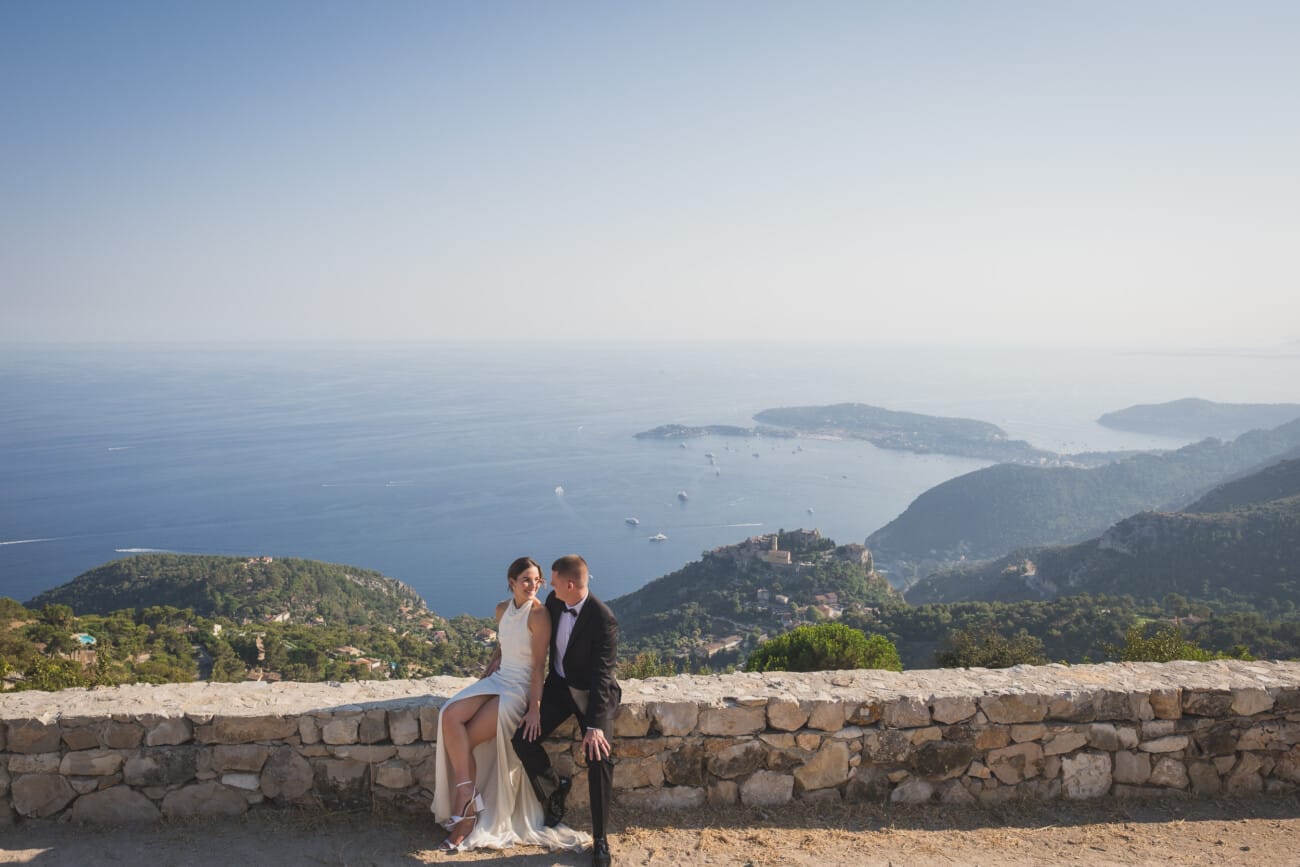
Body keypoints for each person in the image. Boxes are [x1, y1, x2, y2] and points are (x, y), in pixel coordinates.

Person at [431, 557, 590, 853]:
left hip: (518, 689)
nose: (533, 586)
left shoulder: (539, 615)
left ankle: (466, 814)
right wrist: (494, 660)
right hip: (500, 678)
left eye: (537, 580)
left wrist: (534, 709)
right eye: (526, 580)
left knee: (469, 737)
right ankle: (468, 796)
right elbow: (505, 641)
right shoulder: (501, 609)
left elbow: (537, 667)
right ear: (512, 582)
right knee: (449, 715)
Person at [512, 555, 621, 867]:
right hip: (560, 688)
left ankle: (600, 839)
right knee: (522, 738)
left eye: (555, 581)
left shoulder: (604, 619)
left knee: (599, 755)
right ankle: (554, 788)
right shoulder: (555, 601)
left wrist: (596, 725)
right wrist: (534, 705)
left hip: (592, 695)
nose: (549, 585)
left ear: (570, 584)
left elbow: (603, 675)